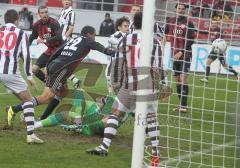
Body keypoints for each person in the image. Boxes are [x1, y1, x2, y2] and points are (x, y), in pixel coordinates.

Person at [86, 12, 161, 167]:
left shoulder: (125, 39)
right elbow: (158, 67)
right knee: (151, 118)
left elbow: (118, 62)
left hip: (129, 84)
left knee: (116, 113)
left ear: (134, 24)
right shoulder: (155, 42)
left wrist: (115, 81)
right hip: (148, 85)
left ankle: (104, 146)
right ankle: (155, 155)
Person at [7, 26, 115, 122]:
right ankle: (14, 109)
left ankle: (42, 118)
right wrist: (117, 53)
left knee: (62, 93)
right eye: (94, 35)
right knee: (46, 97)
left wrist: (48, 67)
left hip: (55, 65)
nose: (94, 38)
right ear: (88, 34)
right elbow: (103, 49)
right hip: (61, 69)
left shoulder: (72, 40)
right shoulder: (87, 40)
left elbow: (56, 52)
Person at [0, 10, 43, 144]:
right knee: (28, 100)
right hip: (10, 72)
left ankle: (11, 112)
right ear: (17, 20)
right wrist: (30, 76)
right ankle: (30, 135)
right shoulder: (21, 33)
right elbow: (27, 56)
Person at [163, 3, 196, 113]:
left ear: (185, 10)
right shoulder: (170, 21)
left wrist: (181, 52)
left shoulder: (189, 23)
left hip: (185, 55)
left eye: (183, 9)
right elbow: (165, 34)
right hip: (174, 56)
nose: (181, 10)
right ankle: (181, 104)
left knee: (183, 79)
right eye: (179, 8)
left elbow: (191, 40)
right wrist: (161, 47)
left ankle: (184, 106)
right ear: (176, 9)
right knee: (177, 80)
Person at [30, 6, 63, 83]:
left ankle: (60, 86)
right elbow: (32, 36)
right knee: (34, 69)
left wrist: (44, 40)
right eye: (42, 13)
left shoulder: (54, 23)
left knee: (52, 71)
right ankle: (49, 83)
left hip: (59, 51)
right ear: (39, 14)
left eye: (46, 12)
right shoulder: (36, 25)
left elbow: (59, 37)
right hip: (50, 51)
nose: (44, 14)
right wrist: (24, 46)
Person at [105, 16, 130, 94]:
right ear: (119, 27)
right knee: (112, 83)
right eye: (125, 26)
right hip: (113, 64)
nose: (127, 27)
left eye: (128, 26)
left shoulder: (127, 36)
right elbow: (111, 39)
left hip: (121, 64)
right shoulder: (119, 34)